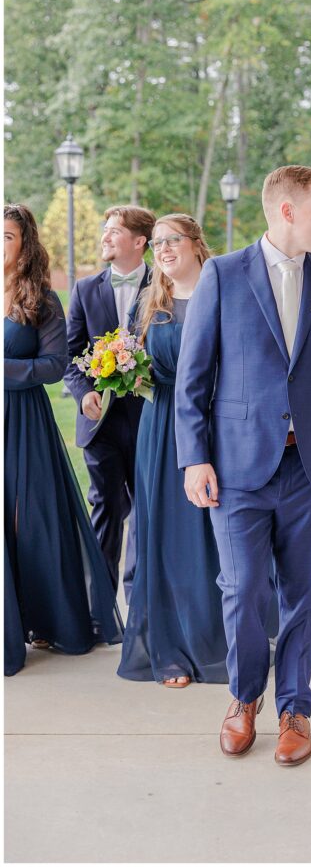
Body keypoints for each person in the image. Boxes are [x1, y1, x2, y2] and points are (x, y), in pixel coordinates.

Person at [175, 165, 311, 767]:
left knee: (303, 596)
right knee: (241, 591)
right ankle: (243, 699)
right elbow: (194, 376)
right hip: (236, 469)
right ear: (287, 211)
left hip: (310, 469)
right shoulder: (222, 274)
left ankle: (295, 709)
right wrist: (195, 458)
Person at [4, 203, 123, 672]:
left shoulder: (42, 300)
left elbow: (54, 366)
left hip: (24, 421)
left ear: (25, 245)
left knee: (31, 520)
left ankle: (50, 619)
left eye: (7, 237)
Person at [117, 214, 228, 688]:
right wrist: (124, 370)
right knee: (163, 535)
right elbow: (130, 357)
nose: (162, 249)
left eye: (172, 240)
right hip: (161, 428)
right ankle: (170, 650)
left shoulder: (225, 291)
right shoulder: (149, 302)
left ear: (196, 244)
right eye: (156, 243)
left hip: (216, 425)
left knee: (214, 536)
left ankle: (221, 642)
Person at [65, 204, 155, 594]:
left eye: (113, 230)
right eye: (105, 228)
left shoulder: (164, 286)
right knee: (105, 507)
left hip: (150, 418)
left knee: (148, 511)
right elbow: (70, 355)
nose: (104, 236)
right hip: (100, 421)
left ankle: (139, 604)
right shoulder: (85, 289)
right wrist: (84, 393)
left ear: (139, 242)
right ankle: (100, 606)